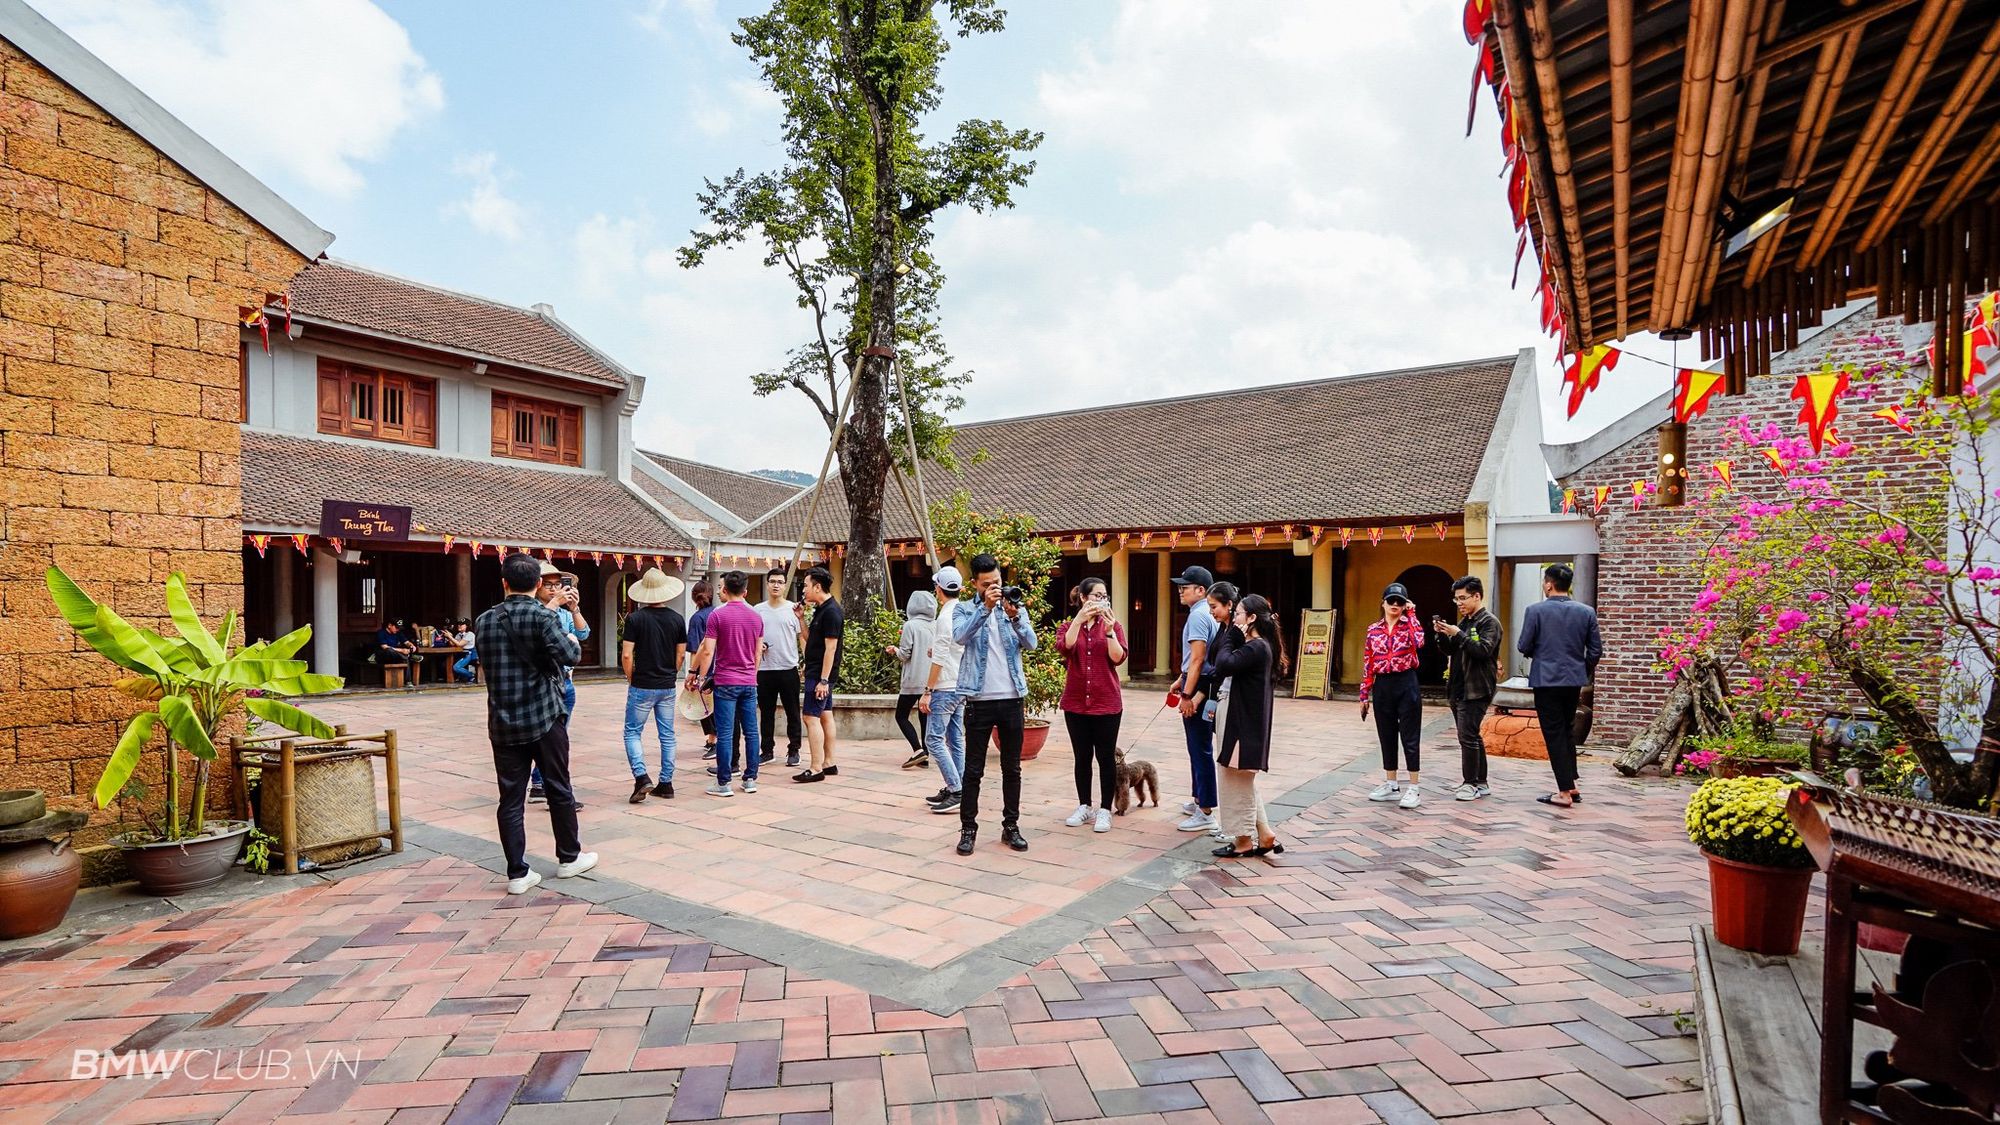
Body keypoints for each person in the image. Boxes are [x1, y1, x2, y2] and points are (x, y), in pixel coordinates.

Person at [477, 553, 596, 895]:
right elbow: (572, 655)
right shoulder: (544, 617)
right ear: (539, 583)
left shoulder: (485, 620)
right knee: (558, 787)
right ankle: (569, 857)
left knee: (510, 798)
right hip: (544, 716)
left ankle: (517, 872)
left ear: (504, 583)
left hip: (503, 721)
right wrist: (568, 637)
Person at [951, 554, 1037, 856]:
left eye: (997, 582)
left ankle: (1011, 826)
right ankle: (968, 829)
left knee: (1012, 768)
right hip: (979, 700)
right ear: (975, 584)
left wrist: (1015, 617)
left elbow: (1031, 643)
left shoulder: (1014, 605)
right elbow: (960, 636)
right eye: (987, 584)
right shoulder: (964, 609)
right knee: (973, 770)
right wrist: (985, 609)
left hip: (1012, 698)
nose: (994, 588)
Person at [1517, 563, 1603, 808]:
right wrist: (1581, 669)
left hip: (1546, 680)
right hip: (1573, 679)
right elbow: (1595, 650)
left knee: (1554, 733)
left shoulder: (1535, 611)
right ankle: (1572, 785)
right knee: (1566, 730)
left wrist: (1539, 654)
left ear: (1548, 584)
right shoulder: (1586, 612)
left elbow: (1523, 645)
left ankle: (1564, 791)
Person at [1211, 594, 1286, 859]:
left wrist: (1232, 635)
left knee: (1234, 781)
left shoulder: (1256, 647)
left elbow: (1223, 664)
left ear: (1252, 618)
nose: (1235, 618)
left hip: (1242, 724)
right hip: (1242, 721)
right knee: (1241, 779)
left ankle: (1242, 840)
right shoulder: (1257, 646)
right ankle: (1264, 834)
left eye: (1239, 614)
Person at [1057, 576, 1125, 833]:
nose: (1102, 600)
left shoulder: (1114, 626)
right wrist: (1079, 620)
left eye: (1105, 596)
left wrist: (1109, 631)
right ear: (1083, 598)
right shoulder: (1068, 626)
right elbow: (1065, 647)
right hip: (1076, 703)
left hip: (1107, 702)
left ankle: (1105, 809)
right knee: (1082, 756)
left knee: (1105, 757)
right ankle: (1085, 805)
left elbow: (1118, 658)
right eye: (1097, 595)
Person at [689, 570, 762, 797]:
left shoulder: (717, 615)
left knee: (726, 732)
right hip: (749, 681)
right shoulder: (756, 616)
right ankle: (750, 779)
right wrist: (752, 675)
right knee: (751, 732)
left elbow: (707, 650)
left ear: (726, 590)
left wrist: (701, 677)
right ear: (745, 591)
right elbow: (758, 653)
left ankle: (724, 782)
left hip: (725, 681)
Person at [621, 568, 687, 803]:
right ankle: (666, 783)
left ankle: (641, 777)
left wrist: (631, 678)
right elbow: (681, 655)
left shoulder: (635, 619)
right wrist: (671, 673)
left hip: (642, 683)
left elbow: (627, 655)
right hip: (667, 685)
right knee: (667, 734)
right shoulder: (677, 619)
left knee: (632, 732)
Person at [528, 562, 590, 805]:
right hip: (542, 682)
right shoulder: (533, 611)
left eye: (558, 584)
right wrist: (554, 605)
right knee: (547, 737)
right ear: (537, 585)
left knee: (559, 736)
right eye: (549, 584)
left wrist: (574, 609)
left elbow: (583, 634)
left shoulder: (563, 613)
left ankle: (540, 783)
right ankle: (550, 789)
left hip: (564, 680)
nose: (554, 589)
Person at [1361, 582, 1426, 809]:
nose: (1395, 605)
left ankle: (1414, 787)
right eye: (1391, 600)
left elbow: (1419, 642)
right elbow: (1368, 662)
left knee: (1410, 736)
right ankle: (1391, 784)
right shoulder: (1373, 629)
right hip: (1383, 685)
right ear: (1383, 603)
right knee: (1386, 735)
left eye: (1400, 601)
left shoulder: (1410, 625)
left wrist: (1412, 614)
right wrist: (1364, 694)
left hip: (1406, 682)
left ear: (1406, 604)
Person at [1437, 575, 1503, 801]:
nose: (1459, 603)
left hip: (1476, 689)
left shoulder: (1489, 622)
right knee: (1471, 735)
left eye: (1463, 598)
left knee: (1467, 737)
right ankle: (1481, 782)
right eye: (1456, 599)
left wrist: (1458, 634)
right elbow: (1451, 650)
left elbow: (1483, 650)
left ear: (1477, 596)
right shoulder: (1465, 622)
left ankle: (1470, 783)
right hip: (1458, 687)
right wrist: (1442, 635)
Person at [1169, 566, 1220, 833]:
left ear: (1201, 590)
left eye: (1185, 587)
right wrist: (1182, 677)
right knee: (1197, 747)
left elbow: (1199, 659)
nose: (1180, 590)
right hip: (1197, 680)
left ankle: (1206, 810)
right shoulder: (1203, 613)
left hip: (1200, 685)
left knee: (1200, 749)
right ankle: (1199, 798)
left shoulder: (1199, 616)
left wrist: (1188, 695)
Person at [918, 567, 967, 813]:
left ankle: (956, 789)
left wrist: (928, 690)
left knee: (934, 739)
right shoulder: (963, 612)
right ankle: (959, 787)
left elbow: (938, 658)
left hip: (945, 686)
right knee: (955, 739)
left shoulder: (945, 617)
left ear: (938, 589)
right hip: (961, 683)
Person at [796, 568, 844, 783]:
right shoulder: (822, 609)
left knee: (810, 717)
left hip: (820, 675)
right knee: (825, 714)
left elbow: (831, 649)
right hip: (817, 672)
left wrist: (823, 680)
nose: (803, 590)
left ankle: (816, 768)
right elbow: (812, 639)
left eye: (806, 585)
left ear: (817, 587)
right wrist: (801, 619)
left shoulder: (832, 612)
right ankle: (829, 762)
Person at [754, 568, 805, 768]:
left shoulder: (793, 609)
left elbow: (802, 638)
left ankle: (794, 750)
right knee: (766, 713)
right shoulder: (758, 610)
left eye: (780, 582)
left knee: (793, 711)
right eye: (772, 581)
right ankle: (767, 751)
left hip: (788, 668)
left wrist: (806, 662)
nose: (776, 585)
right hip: (764, 670)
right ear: (767, 584)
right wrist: (759, 647)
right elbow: (752, 638)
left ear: (785, 585)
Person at [890, 589, 937, 770]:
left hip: (912, 679)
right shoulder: (936, 625)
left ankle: (918, 750)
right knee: (924, 717)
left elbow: (904, 654)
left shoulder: (910, 625)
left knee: (901, 715)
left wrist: (895, 650)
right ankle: (925, 756)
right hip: (930, 680)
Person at [687, 581, 718, 758]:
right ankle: (712, 740)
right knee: (714, 706)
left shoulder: (697, 618)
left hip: (704, 669)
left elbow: (696, 648)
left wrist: (692, 673)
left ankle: (714, 742)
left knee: (704, 706)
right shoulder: (718, 613)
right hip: (720, 667)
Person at [376, 619, 418, 685]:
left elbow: (406, 642)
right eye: (396, 627)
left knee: (404, 657)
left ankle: (408, 681)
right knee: (389, 650)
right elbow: (384, 647)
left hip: (396, 655)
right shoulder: (381, 633)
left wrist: (412, 646)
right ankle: (410, 656)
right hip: (383, 656)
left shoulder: (398, 633)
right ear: (389, 625)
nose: (398, 629)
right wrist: (402, 650)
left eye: (399, 628)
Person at [452, 619, 479, 683]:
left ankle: (471, 675)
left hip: (468, 654)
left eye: (461, 624)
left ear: (467, 626)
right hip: (460, 654)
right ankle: (461, 677)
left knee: (456, 668)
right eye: (458, 624)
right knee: (445, 664)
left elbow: (459, 644)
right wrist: (450, 636)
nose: (459, 626)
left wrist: (450, 637)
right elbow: (453, 644)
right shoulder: (458, 635)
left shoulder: (470, 634)